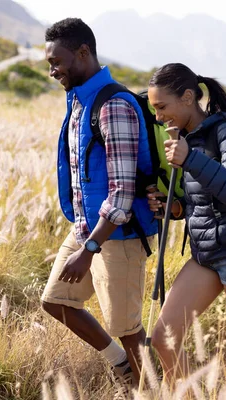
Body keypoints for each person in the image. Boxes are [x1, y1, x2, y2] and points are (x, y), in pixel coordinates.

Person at [40, 18, 157, 387]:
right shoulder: (79, 101)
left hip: (117, 236)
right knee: (56, 300)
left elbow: (122, 192)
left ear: (83, 52)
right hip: (88, 229)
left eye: (57, 62)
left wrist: (89, 249)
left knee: (126, 327)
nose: (53, 71)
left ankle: (149, 392)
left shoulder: (113, 106)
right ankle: (121, 365)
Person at [146, 63, 226, 384]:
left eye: (162, 107)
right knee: (164, 339)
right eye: (154, 110)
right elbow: (204, 201)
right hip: (206, 257)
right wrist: (173, 208)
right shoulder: (189, 139)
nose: (159, 116)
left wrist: (190, 158)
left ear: (188, 97)